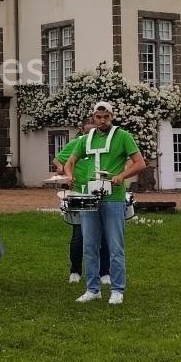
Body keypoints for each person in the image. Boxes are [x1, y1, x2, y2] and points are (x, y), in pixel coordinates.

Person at [63, 101, 146, 305]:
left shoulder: (123, 136)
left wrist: (121, 176)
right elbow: (69, 162)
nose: (102, 121)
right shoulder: (86, 139)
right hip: (89, 197)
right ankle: (93, 289)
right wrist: (69, 175)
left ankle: (117, 290)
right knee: (89, 245)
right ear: (93, 118)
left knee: (115, 246)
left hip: (114, 199)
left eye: (106, 117)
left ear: (112, 116)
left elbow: (140, 163)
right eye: (98, 117)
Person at [55, 118, 110, 285]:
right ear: (83, 132)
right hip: (80, 194)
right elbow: (60, 160)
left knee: (104, 237)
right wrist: (65, 172)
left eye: (94, 131)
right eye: (88, 132)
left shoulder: (104, 144)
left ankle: (104, 273)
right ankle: (75, 270)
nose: (91, 134)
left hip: (100, 193)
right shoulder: (76, 144)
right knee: (78, 236)